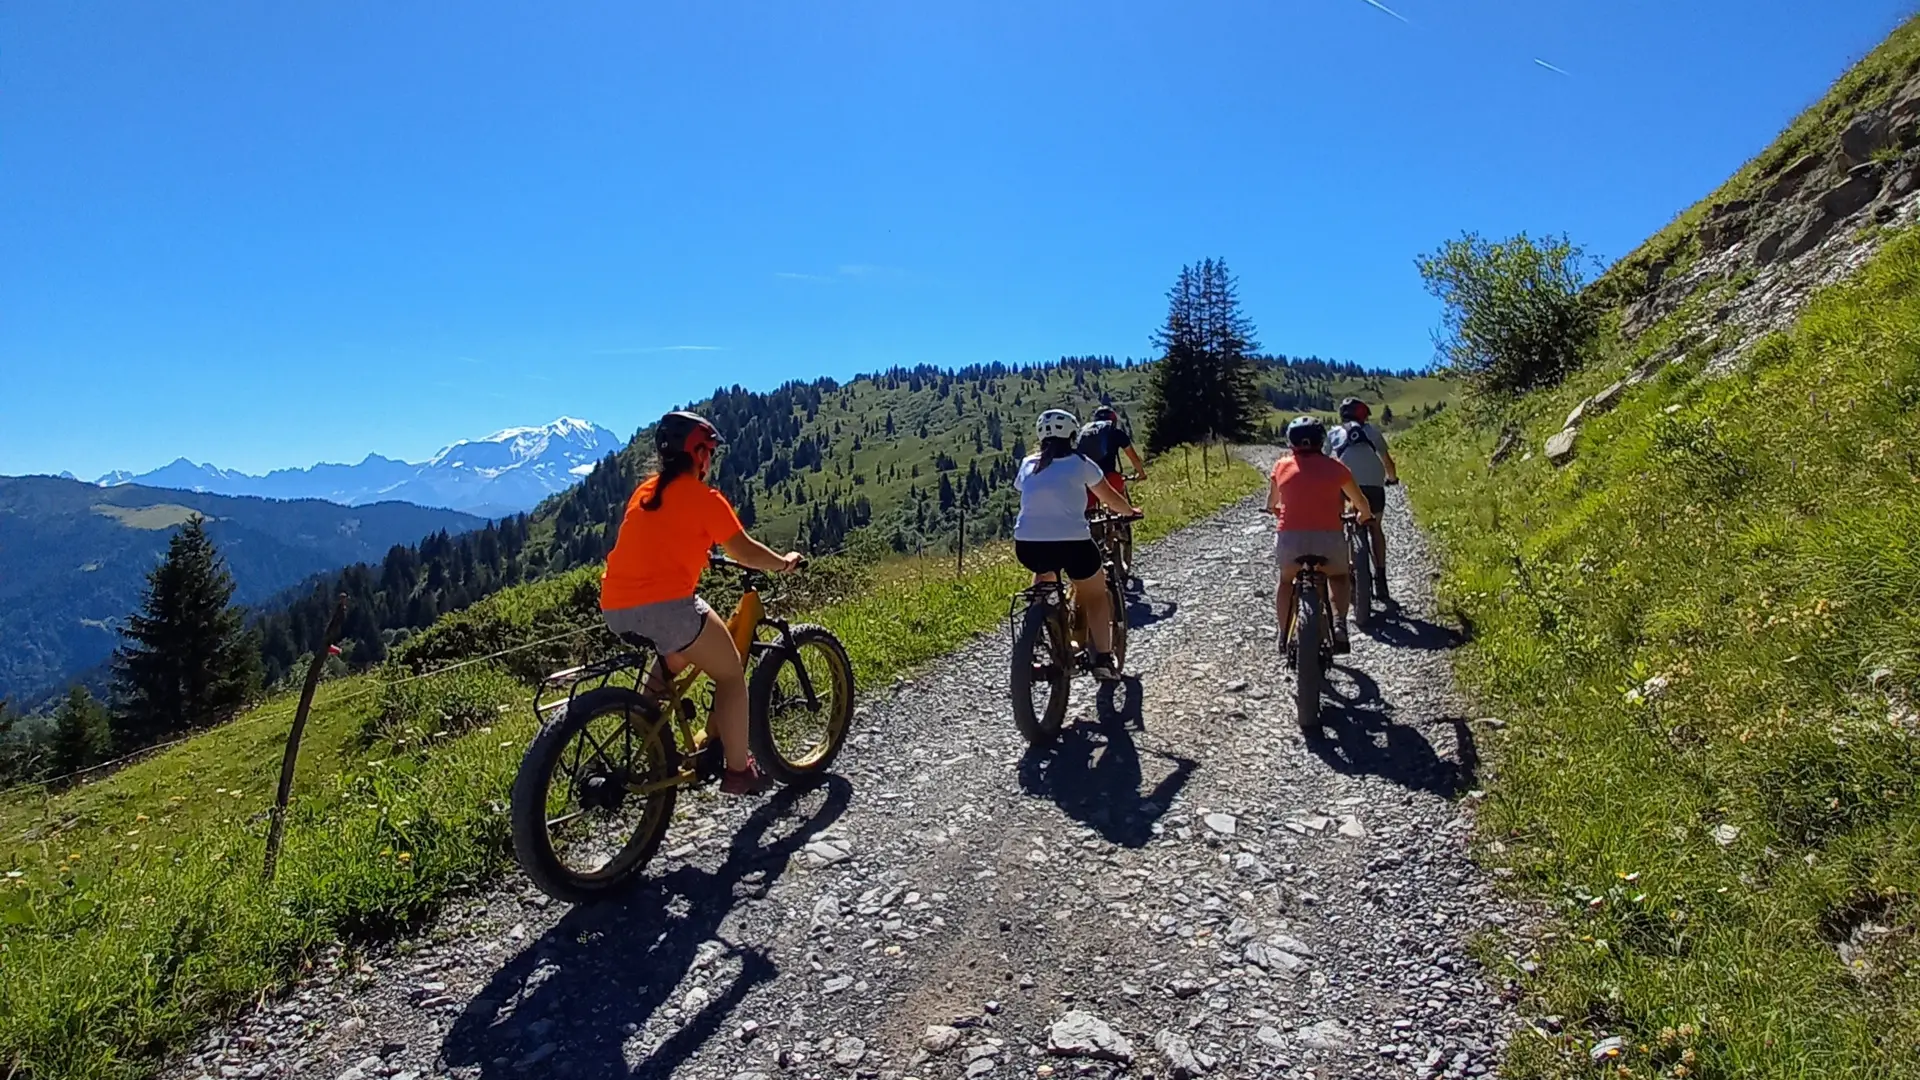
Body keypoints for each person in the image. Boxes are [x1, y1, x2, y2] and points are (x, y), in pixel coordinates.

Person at [600, 410, 804, 795]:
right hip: (666, 607)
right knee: (728, 673)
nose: (710, 459)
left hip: (614, 605)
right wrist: (781, 563)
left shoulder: (645, 491)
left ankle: (647, 740)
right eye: (708, 450)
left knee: (674, 653)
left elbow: (658, 539)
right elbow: (744, 551)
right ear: (697, 453)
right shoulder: (705, 499)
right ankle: (739, 772)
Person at [1015, 409, 1142, 681]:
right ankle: (1104, 661)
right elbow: (1110, 498)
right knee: (1095, 594)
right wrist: (1130, 511)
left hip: (1027, 544)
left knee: (1044, 572)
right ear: (1073, 435)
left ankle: (1038, 627)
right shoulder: (1081, 463)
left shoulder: (1027, 464)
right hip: (1073, 543)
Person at [1270, 416, 1373, 656]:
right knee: (1339, 575)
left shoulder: (1281, 466)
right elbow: (1359, 502)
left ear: (1291, 442)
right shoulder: (1336, 468)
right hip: (1329, 539)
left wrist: (1280, 511)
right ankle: (1339, 624)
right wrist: (1363, 515)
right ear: (1320, 440)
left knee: (1286, 581)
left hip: (1290, 540)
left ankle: (1283, 633)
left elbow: (1272, 503)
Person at [1327, 397, 1398, 599]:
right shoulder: (1373, 432)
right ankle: (1381, 577)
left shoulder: (1334, 433)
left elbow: (1324, 459)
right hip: (1374, 486)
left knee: (1342, 525)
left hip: (1344, 487)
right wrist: (1392, 479)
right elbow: (1388, 462)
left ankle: (1349, 575)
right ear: (1363, 415)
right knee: (1376, 528)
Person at [1075, 405, 1148, 510]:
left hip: (1087, 482)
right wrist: (1141, 474)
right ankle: (1123, 519)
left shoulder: (1083, 434)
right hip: (1111, 479)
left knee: (1088, 510)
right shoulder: (1116, 433)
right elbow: (1134, 458)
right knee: (1120, 503)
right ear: (1113, 420)